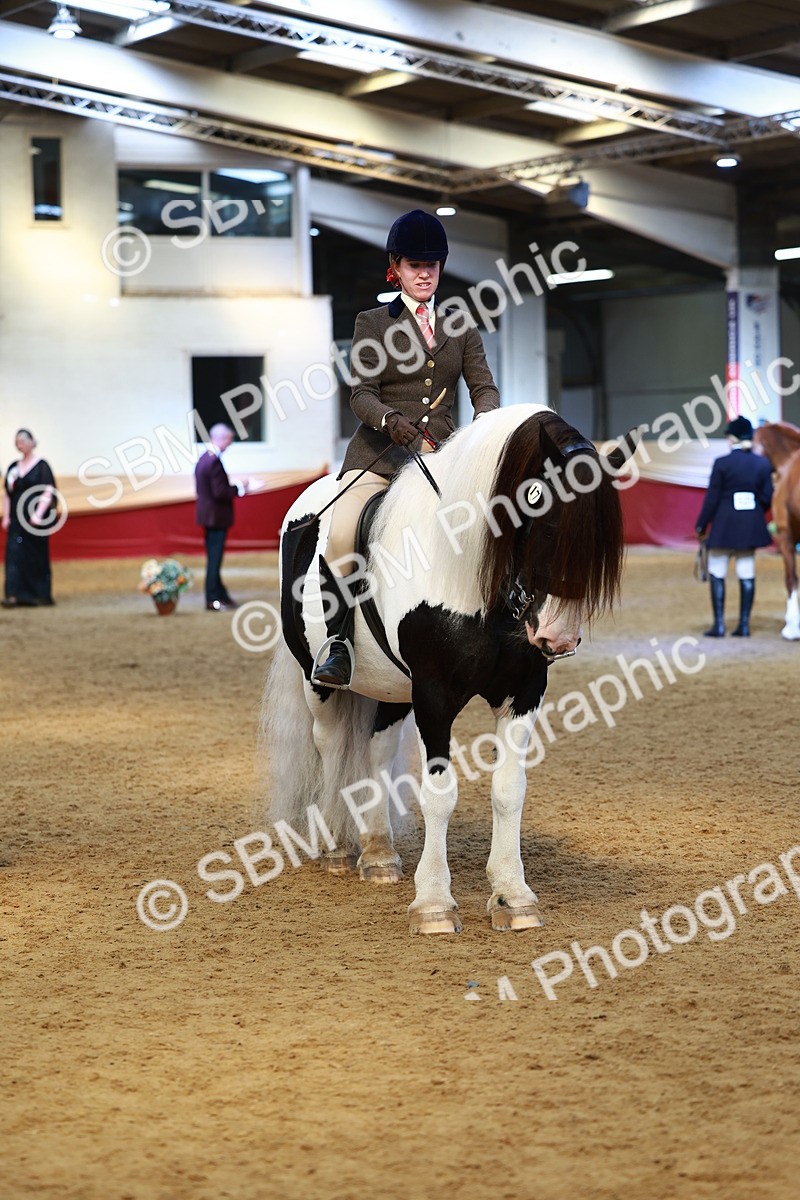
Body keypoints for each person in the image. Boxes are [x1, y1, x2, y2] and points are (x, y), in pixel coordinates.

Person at [312, 208, 500, 688]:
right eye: (415, 266)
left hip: (441, 458)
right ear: (396, 267)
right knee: (341, 534)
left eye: (432, 266)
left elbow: (483, 389)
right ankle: (339, 642)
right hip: (380, 459)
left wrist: (489, 425)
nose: (424, 274)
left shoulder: (461, 325)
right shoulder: (372, 322)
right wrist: (387, 419)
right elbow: (360, 393)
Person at [695, 415, 774, 637]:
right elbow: (768, 496)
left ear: (732, 438)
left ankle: (719, 625)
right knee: (746, 572)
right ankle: (744, 625)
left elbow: (711, 499)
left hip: (724, 526)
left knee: (717, 571)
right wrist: (755, 512)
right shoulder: (762, 464)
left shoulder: (722, 463)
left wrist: (701, 525)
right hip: (750, 526)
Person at [195, 423, 249, 612]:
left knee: (214, 558)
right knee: (215, 560)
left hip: (208, 516)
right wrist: (241, 488)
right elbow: (220, 492)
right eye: (229, 439)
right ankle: (212, 598)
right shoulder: (213, 461)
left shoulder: (204, 458)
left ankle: (220, 593)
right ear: (221, 438)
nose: (230, 443)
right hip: (216, 517)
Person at [2, 428, 57, 608]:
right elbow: (7, 493)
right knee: (14, 554)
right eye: (18, 441)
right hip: (16, 520)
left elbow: (48, 491)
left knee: (36, 555)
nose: (21, 443)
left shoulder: (42, 466)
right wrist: (6, 516)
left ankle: (38, 594)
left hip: (35, 523)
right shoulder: (13, 468)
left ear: (32, 442)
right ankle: (13, 594)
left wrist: (38, 514)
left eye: (24, 440)